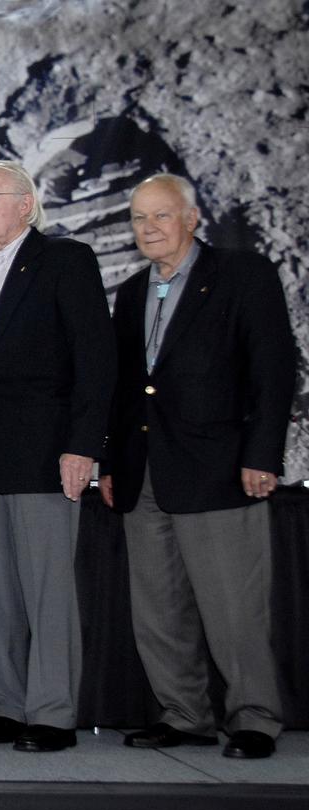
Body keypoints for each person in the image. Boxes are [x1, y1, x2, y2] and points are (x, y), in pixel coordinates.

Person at [101, 173, 295, 760]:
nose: (149, 227)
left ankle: (255, 718)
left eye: (161, 215)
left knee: (234, 607)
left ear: (192, 218)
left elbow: (273, 368)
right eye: (139, 218)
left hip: (219, 469)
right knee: (158, 611)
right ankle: (184, 715)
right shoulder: (132, 291)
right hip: (143, 474)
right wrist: (111, 462)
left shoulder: (243, 275)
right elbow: (125, 387)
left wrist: (262, 454)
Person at [0, 160, 115, 752]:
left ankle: (51, 712)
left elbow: (95, 359)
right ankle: (6, 704)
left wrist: (83, 446)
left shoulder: (64, 261)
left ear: (25, 204)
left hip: (47, 456)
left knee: (48, 591)